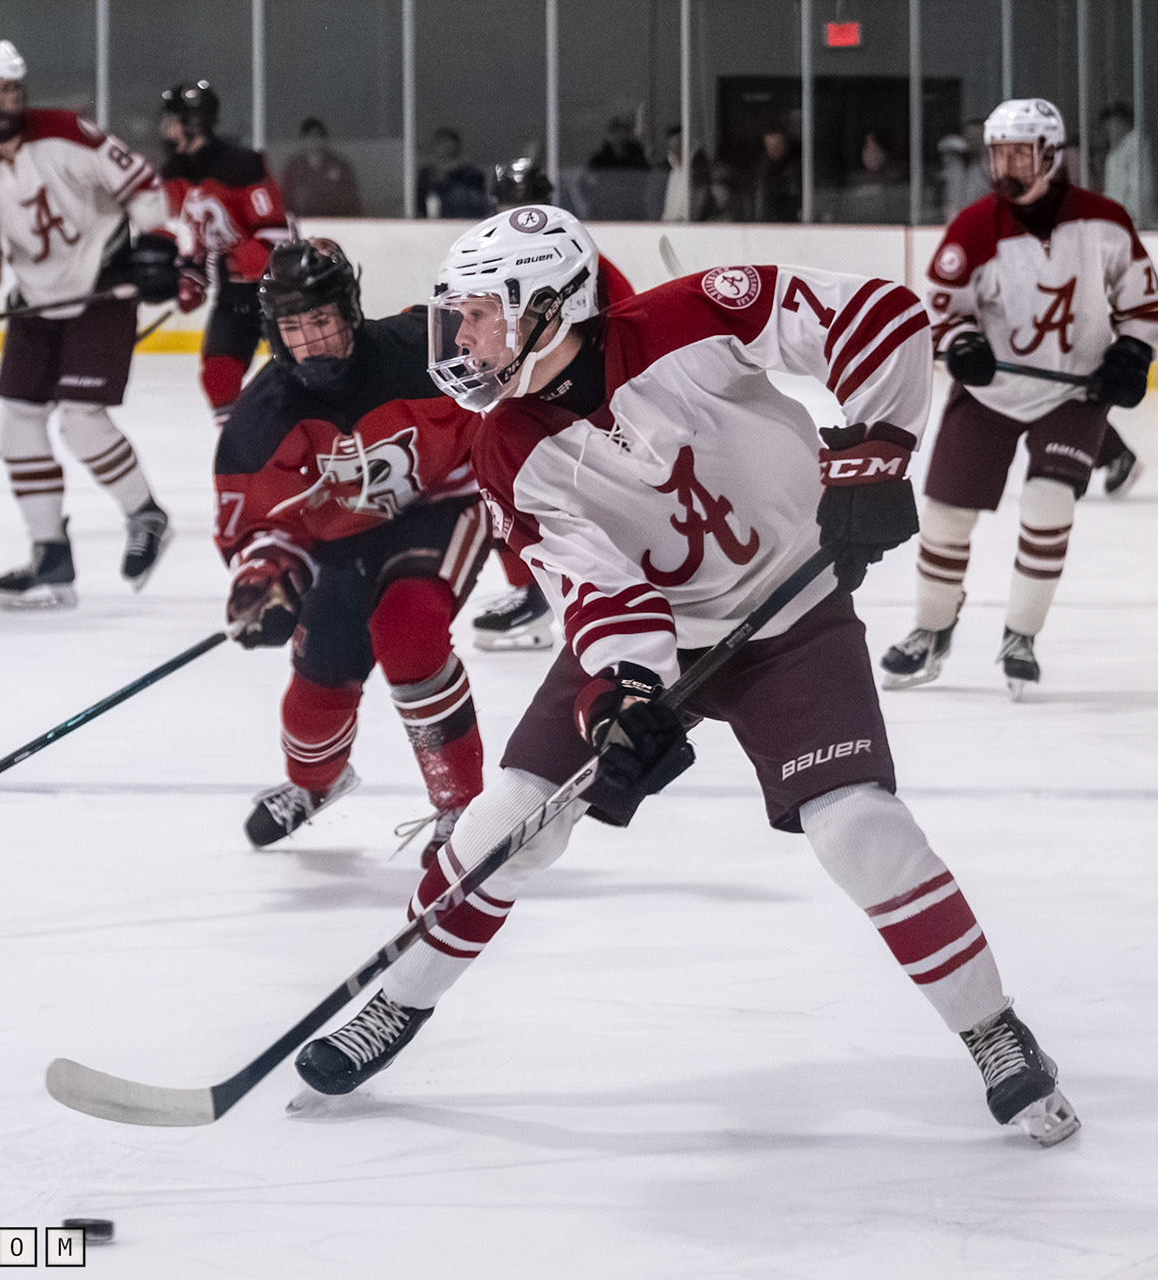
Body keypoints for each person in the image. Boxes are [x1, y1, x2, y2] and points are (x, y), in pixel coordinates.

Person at [292, 204, 1080, 1149]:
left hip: (793, 613)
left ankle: (992, 1028)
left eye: (480, 315)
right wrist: (620, 698)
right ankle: (398, 1001)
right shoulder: (508, 448)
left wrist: (874, 452)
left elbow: (881, 317)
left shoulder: (693, 314)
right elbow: (596, 586)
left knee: (858, 828)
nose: (460, 339)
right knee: (510, 821)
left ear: (547, 306)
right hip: (663, 625)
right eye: (456, 317)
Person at [216, 239, 491, 866]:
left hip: (445, 502)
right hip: (342, 538)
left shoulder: (422, 346)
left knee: (409, 632)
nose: (311, 342)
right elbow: (261, 523)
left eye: (321, 320)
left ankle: (462, 808)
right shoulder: (263, 416)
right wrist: (265, 579)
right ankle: (316, 784)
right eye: (294, 328)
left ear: (350, 310)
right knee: (316, 691)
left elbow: (510, 349)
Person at [880, 99, 1158, 696]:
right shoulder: (973, 227)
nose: (1004, 167)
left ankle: (1020, 636)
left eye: (1019, 154)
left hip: (1074, 391)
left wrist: (1133, 353)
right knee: (946, 516)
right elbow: (944, 310)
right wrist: (961, 344)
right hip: (993, 392)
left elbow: (1141, 303)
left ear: (1051, 156)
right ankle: (932, 628)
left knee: (1048, 505)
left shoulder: (1105, 221)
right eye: (998, 154)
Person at [0, 40, 179, 609]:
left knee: (81, 422)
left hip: (103, 283)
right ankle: (50, 553)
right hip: (36, 299)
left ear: (20, 90)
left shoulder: (68, 133)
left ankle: (146, 515)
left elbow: (141, 186)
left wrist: (158, 244)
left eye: (6, 89)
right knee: (17, 422)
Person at [467, 210, 637, 653]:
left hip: (589, 397)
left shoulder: (574, 259)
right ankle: (537, 590)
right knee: (509, 481)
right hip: (535, 389)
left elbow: (619, 325)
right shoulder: (499, 260)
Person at [159, 81, 294, 427]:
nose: (166, 128)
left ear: (193, 123)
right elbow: (192, 238)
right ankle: (243, 444)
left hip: (283, 290)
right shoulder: (174, 173)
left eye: (172, 120)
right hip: (235, 295)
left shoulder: (241, 165)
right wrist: (190, 275)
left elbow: (275, 236)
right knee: (218, 377)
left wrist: (232, 262)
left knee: (300, 374)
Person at [280, 118, 362, 218]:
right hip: (302, 223)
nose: (313, 141)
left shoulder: (340, 167)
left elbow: (353, 203)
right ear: (303, 140)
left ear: (324, 140)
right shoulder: (293, 168)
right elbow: (285, 201)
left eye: (317, 136)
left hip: (335, 223)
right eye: (309, 137)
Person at [416, 128, 492, 220]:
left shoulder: (471, 174)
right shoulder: (427, 174)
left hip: (465, 221)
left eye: (448, 143)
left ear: (457, 147)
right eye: (441, 143)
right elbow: (420, 203)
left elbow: (478, 202)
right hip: (434, 223)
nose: (445, 148)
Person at [660, 126, 691, 223]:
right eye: (671, 149)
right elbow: (668, 213)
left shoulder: (690, 174)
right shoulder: (674, 174)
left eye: (677, 148)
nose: (672, 153)